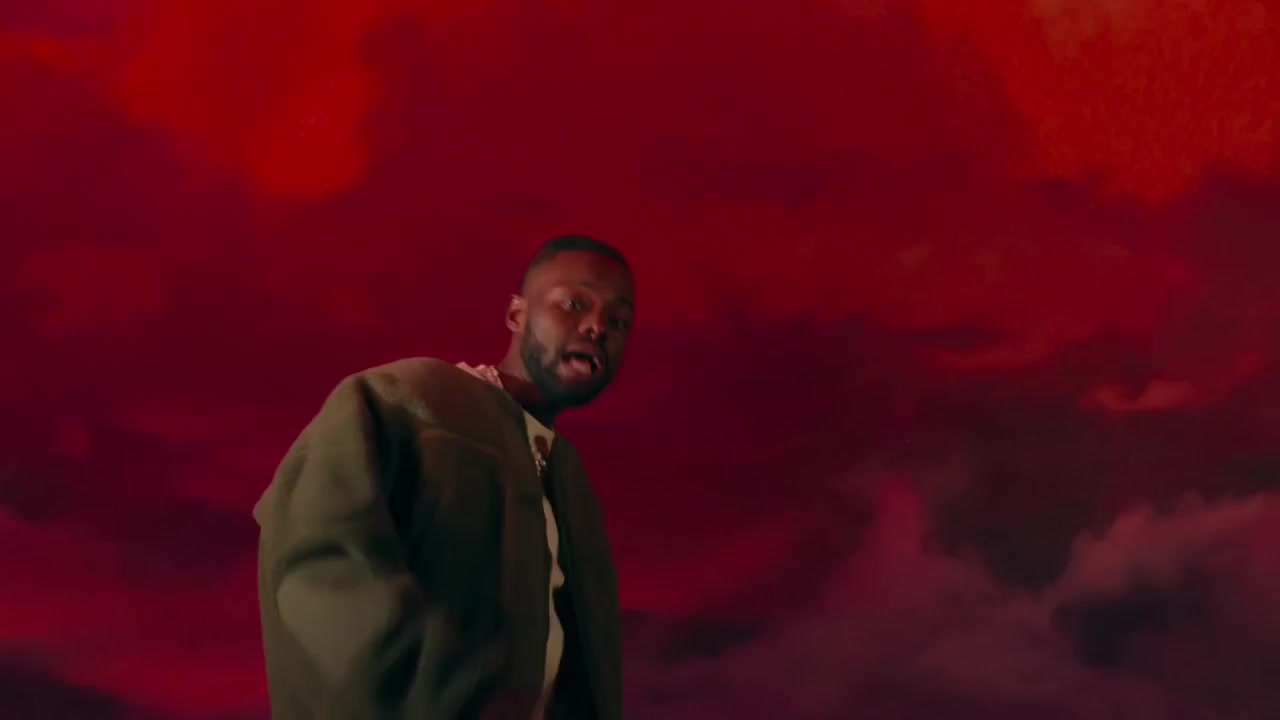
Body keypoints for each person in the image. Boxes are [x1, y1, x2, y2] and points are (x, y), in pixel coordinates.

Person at [253, 235, 635, 719]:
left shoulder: (568, 477)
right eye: (575, 303)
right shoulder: (405, 400)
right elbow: (315, 557)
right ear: (516, 315)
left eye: (618, 321)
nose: (598, 326)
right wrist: (444, 692)